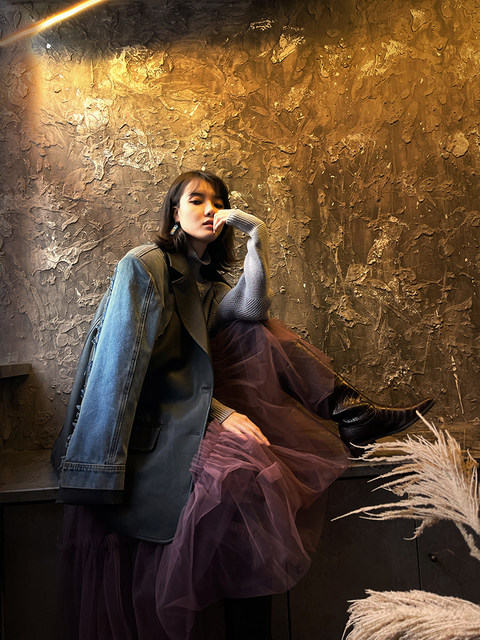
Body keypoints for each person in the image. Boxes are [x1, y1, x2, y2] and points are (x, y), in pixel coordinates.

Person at [51, 170, 434, 640]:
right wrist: (221, 414)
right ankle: (351, 412)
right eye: (196, 200)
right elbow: (125, 369)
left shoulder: (205, 284)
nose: (210, 209)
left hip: (190, 403)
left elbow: (252, 310)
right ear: (174, 211)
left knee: (259, 332)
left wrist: (257, 238)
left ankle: (350, 411)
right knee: (245, 473)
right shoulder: (145, 265)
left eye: (218, 201)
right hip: (147, 420)